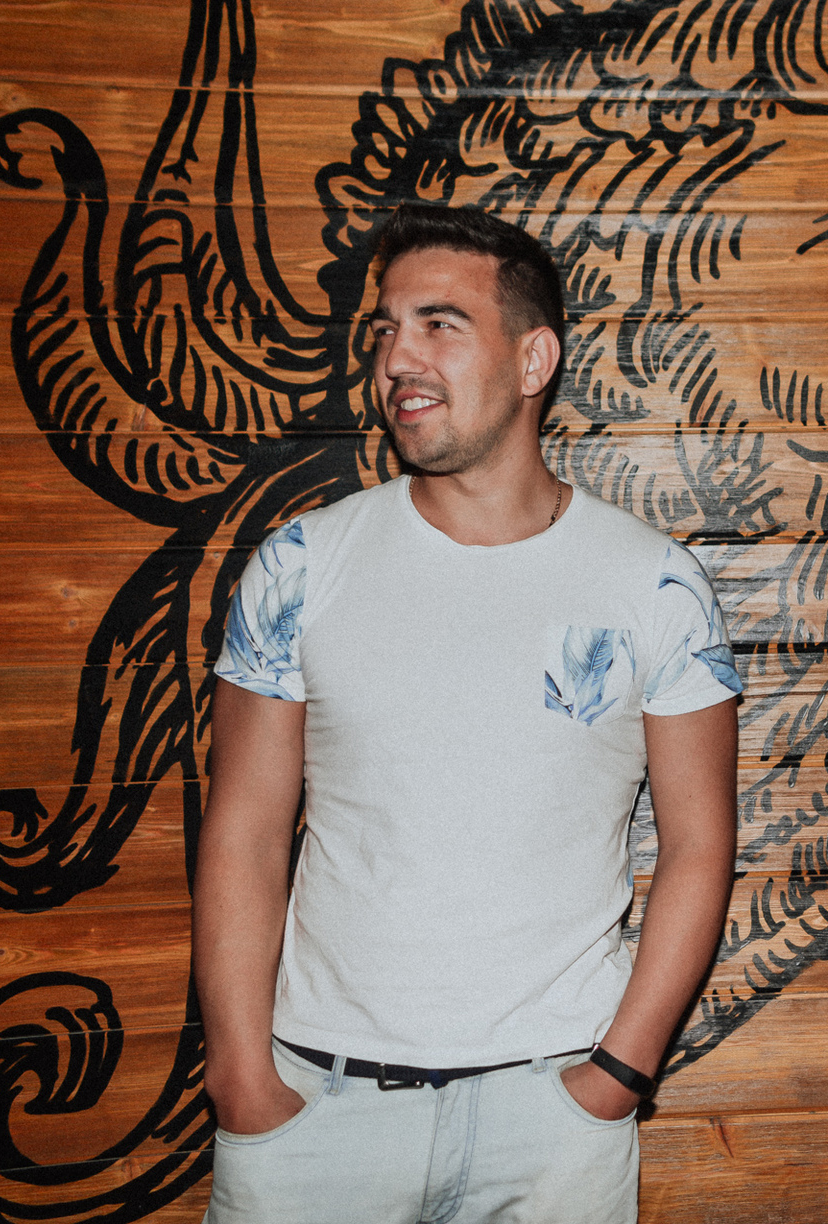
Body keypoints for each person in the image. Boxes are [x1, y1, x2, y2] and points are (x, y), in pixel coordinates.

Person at [192, 204, 741, 1223]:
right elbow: (244, 832)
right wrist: (241, 1080)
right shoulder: (300, 566)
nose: (397, 358)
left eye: (439, 325)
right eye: (385, 329)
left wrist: (618, 1076)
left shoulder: (655, 585)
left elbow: (700, 845)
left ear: (535, 359)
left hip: (553, 1119)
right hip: (314, 1108)